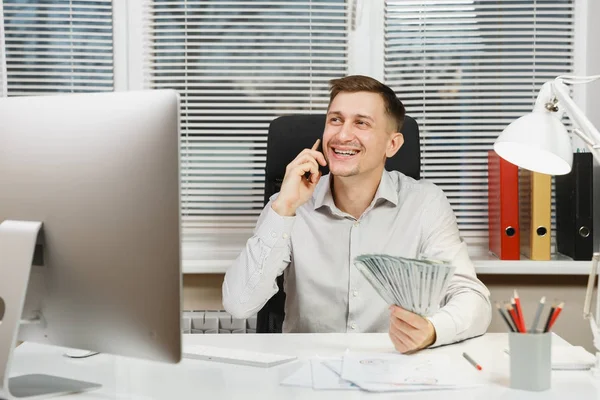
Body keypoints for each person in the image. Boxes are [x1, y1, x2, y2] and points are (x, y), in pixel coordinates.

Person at [223, 75, 491, 353]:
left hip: (393, 369)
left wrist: (433, 330)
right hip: (307, 369)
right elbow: (239, 304)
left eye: (361, 123)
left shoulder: (424, 203)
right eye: (335, 120)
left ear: (393, 144)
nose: (341, 135)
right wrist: (283, 210)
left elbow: (472, 298)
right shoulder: (290, 202)